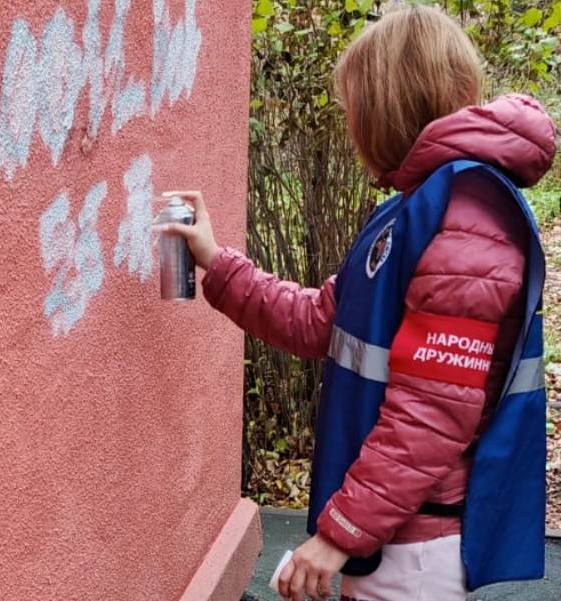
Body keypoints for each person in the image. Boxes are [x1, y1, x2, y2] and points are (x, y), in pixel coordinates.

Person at [158, 6, 556, 601]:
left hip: (416, 546)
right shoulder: (421, 207)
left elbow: (432, 413)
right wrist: (217, 261)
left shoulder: (468, 218)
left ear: (386, 107)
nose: (351, 130)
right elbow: (320, 320)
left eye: (354, 111)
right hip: (395, 533)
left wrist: (340, 533)